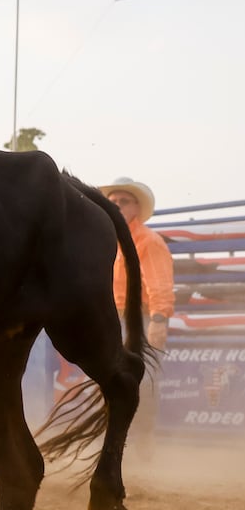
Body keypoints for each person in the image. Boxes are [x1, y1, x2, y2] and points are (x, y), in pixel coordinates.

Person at [101, 177, 175, 456]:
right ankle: (118, 443)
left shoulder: (148, 241)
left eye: (124, 201)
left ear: (136, 208)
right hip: (113, 318)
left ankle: (143, 442)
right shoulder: (112, 240)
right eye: (113, 202)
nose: (117, 206)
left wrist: (158, 320)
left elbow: (159, 284)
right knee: (113, 379)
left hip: (139, 319)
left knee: (140, 381)